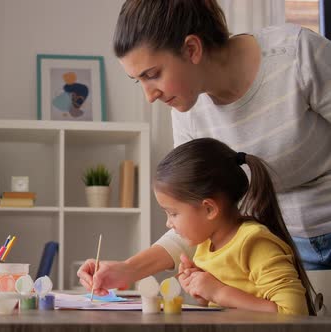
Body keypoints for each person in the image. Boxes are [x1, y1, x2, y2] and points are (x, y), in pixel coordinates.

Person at [78, 0, 331, 297]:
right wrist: (128, 269)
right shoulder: (188, 114)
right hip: (274, 253)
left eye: (153, 74)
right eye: (139, 81)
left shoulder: (295, 56)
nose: (149, 96)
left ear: (192, 49)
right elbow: (194, 213)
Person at [161, 138, 315, 314]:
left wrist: (218, 292)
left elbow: (294, 313)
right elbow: (232, 306)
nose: (168, 223)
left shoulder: (255, 243)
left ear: (209, 209)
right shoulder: (206, 245)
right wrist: (203, 291)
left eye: (173, 213)